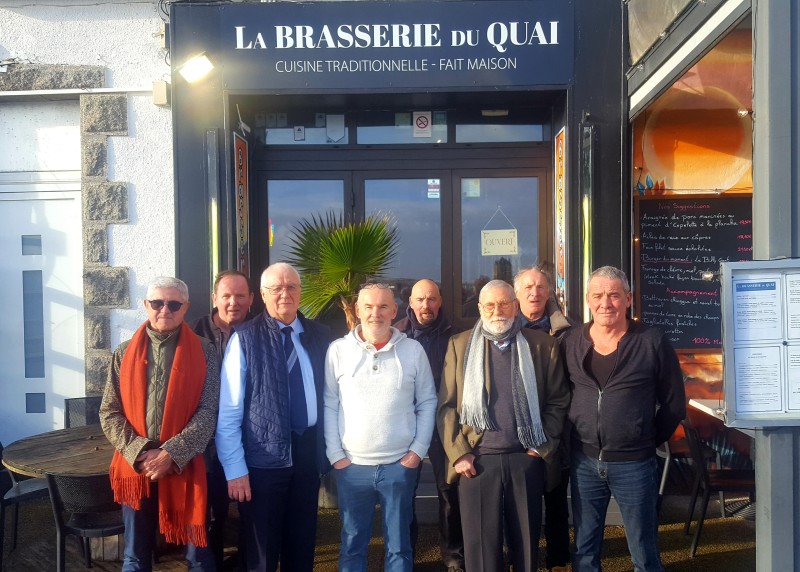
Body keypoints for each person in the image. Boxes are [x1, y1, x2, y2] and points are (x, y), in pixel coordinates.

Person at [438, 279, 570, 572]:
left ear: (516, 306)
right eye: (490, 305)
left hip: (526, 459)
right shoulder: (459, 345)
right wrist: (459, 453)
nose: (497, 311)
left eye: (504, 304)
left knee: (525, 547)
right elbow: (446, 406)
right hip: (476, 461)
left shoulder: (542, 345)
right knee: (481, 551)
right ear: (480, 308)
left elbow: (558, 401)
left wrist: (540, 446)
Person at [560, 266, 685, 572]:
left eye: (614, 295)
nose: (606, 303)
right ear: (588, 300)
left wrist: (643, 437)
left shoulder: (652, 341)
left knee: (643, 550)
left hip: (635, 463)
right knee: (585, 548)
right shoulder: (570, 342)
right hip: (584, 461)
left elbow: (674, 404)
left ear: (628, 299)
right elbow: (559, 396)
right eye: (598, 295)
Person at [215, 262, 331, 572]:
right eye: (276, 288)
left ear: (300, 292)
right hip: (262, 461)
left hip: (307, 455)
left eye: (291, 287)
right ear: (262, 295)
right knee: (262, 553)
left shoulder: (320, 336)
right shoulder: (245, 338)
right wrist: (235, 469)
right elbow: (229, 411)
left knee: (302, 546)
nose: (284, 294)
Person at [100, 276, 220, 571]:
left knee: (198, 557)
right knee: (134, 555)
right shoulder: (123, 352)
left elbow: (209, 411)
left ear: (185, 307)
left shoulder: (205, 351)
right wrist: (140, 452)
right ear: (146, 305)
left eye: (174, 304)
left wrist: (170, 454)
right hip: (135, 468)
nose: (165, 310)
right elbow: (109, 411)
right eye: (157, 303)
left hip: (185, 465)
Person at [324, 282, 437, 572]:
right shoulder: (338, 351)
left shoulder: (413, 351)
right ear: (357, 310)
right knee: (352, 545)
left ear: (394, 310)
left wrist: (417, 451)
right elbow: (330, 404)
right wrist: (336, 455)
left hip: (399, 466)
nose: (376, 313)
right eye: (369, 306)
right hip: (352, 467)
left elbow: (427, 401)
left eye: (383, 306)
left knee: (399, 547)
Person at [393, 279, 463, 572]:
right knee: (404, 492)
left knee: (448, 491)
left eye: (431, 299)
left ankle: (453, 554)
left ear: (440, 301)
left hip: (444, 422)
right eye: (420, 299)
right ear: (410, 302)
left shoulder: (456, 335)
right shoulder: (396, 334)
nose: (426, 305)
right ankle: (405, 553)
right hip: (405, 423)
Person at [192, 270, 254, 569]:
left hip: (250, 441)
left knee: (250, 510)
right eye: (226, 296)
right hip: (204, 444)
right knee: (210, 514)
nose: (233, 302)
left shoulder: (260, 331)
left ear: (251, 299)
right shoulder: (193, 334)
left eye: (240, 296)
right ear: (214, 298)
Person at [514, 266, 573, 572]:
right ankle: (519, 560)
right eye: (527, 287)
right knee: (517, 506)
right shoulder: (502, 329)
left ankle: (558, 560)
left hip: (555, 431)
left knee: (556, 501)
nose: (534, 293)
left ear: (550, 292)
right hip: (515, 436)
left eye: (540, 287)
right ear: (516, 293)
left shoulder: (568, 333)